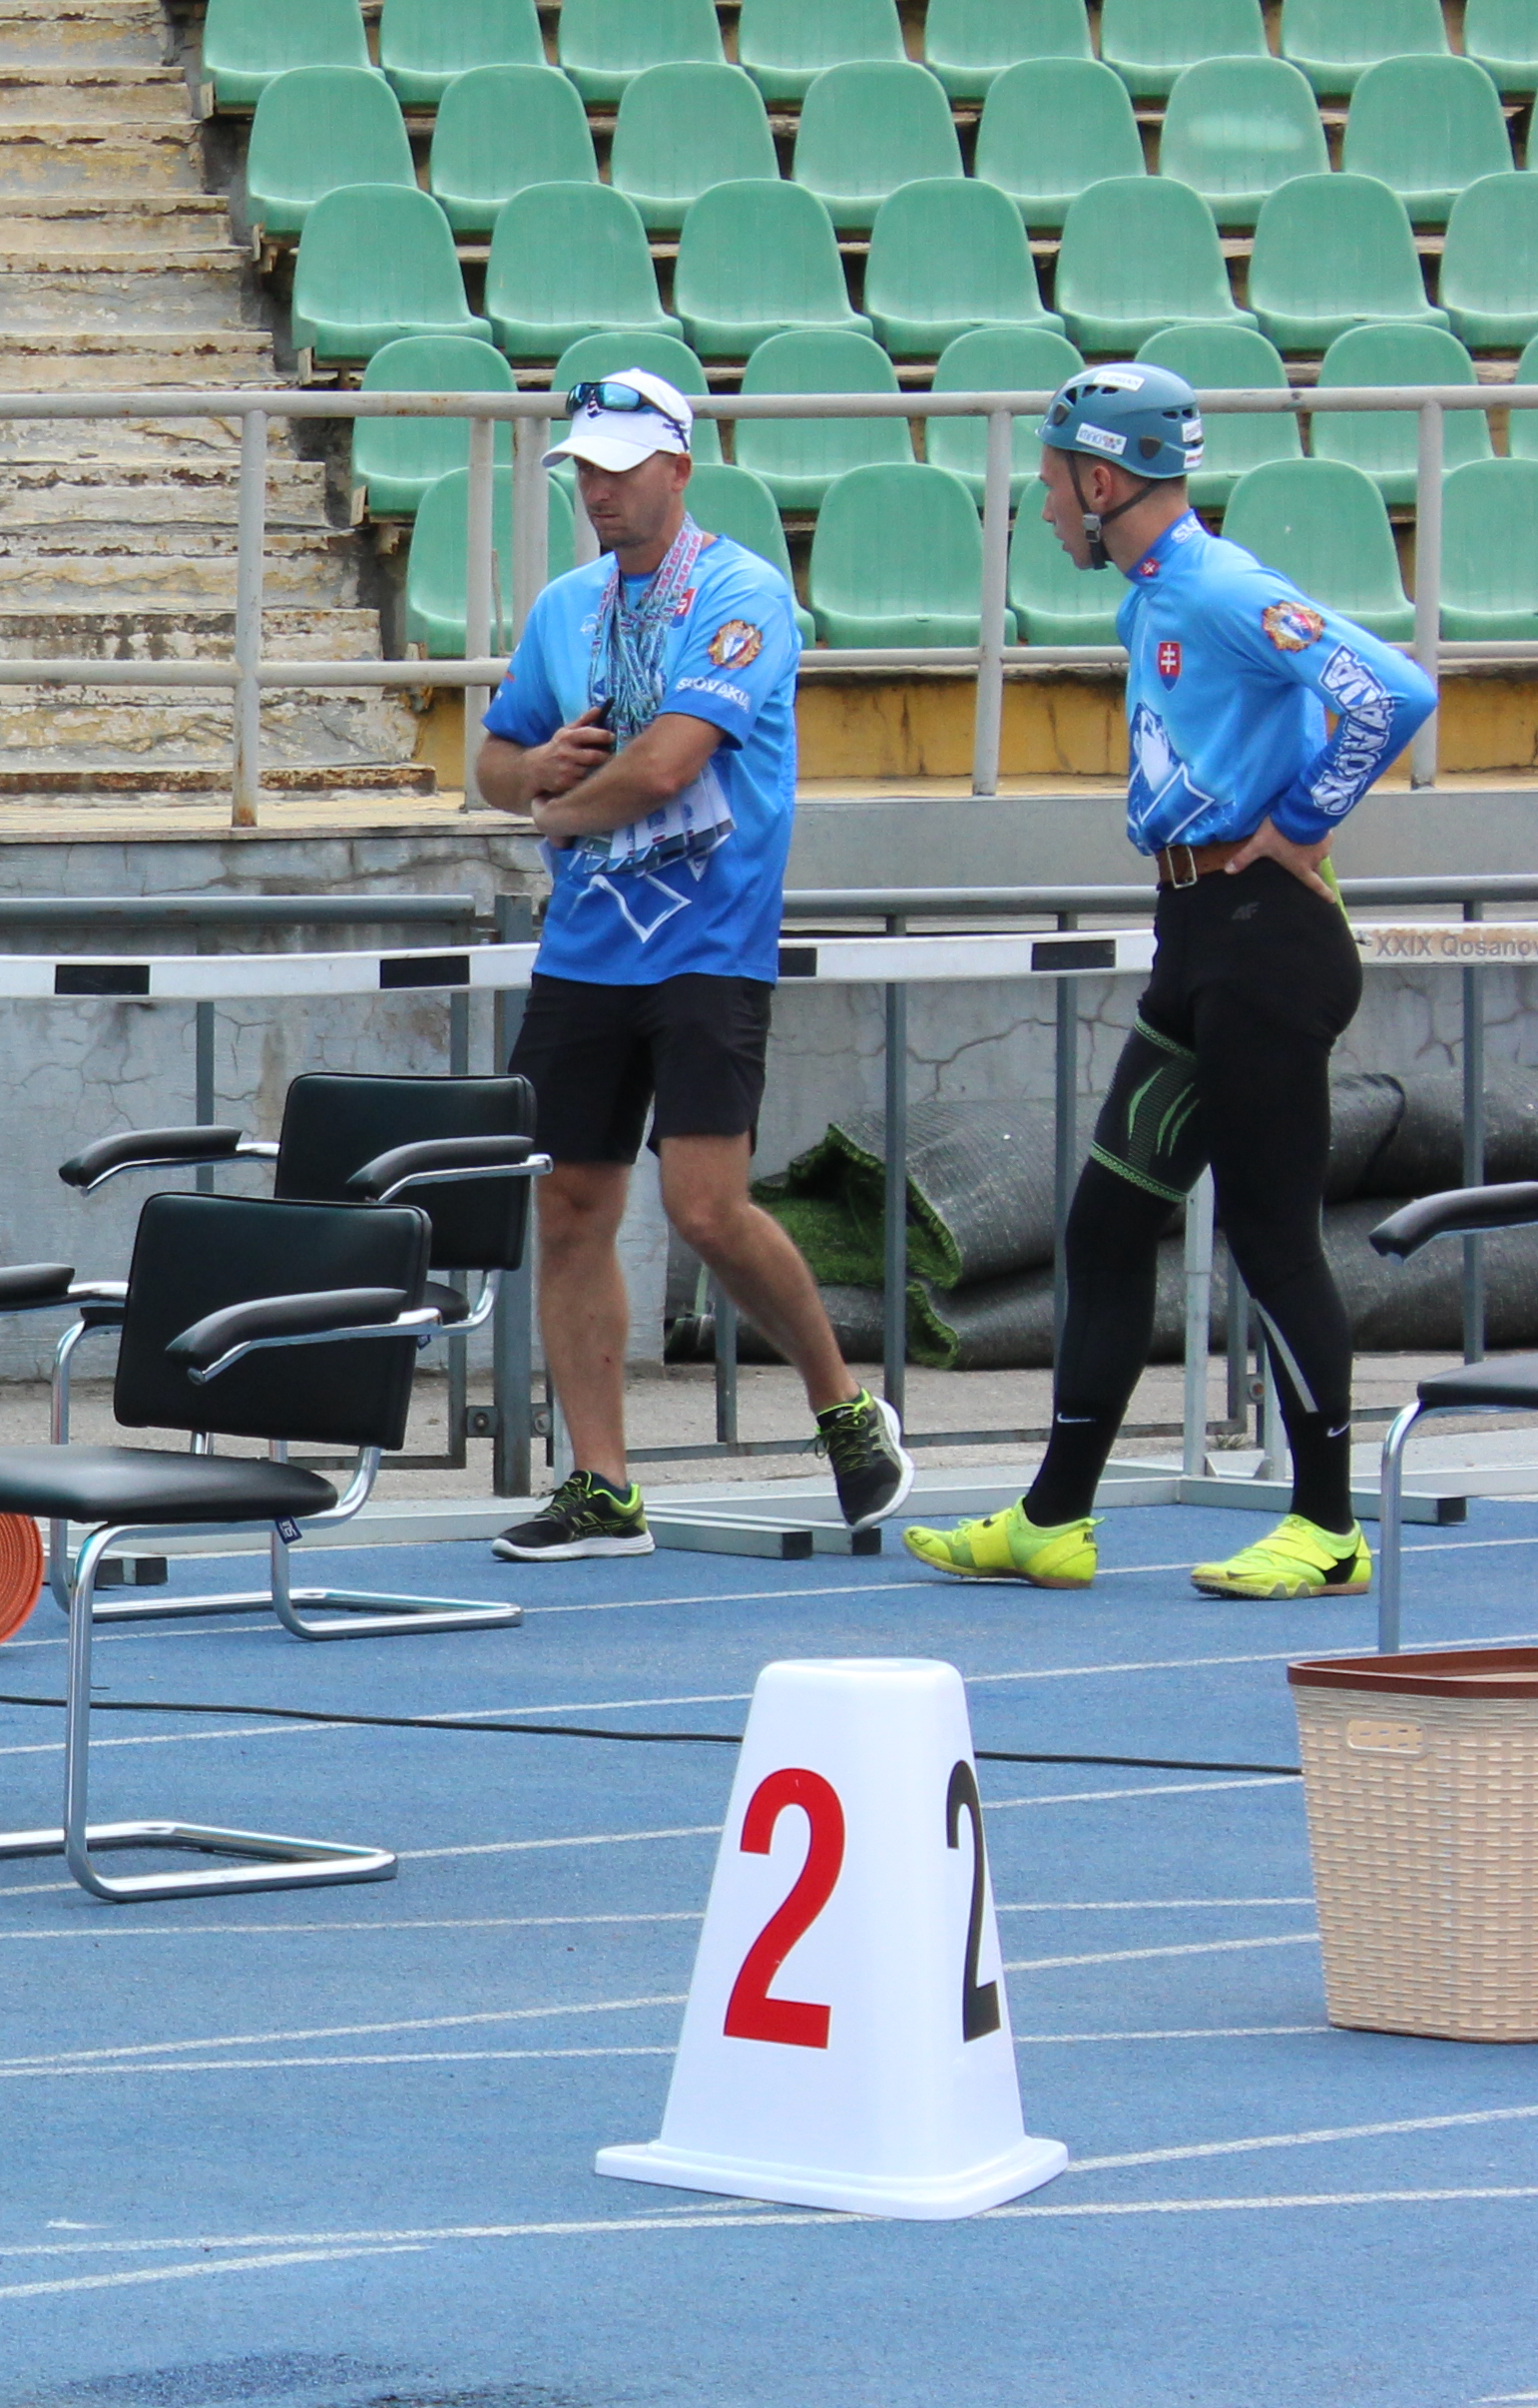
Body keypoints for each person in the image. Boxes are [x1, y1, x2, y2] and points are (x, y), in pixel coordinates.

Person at [910, 362, 1443, 1599]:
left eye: (1051, 486)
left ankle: (1327, 1524)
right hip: (1202, 936)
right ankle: (1053, 1517)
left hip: (1266, 944)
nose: (1041, 510)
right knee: (1104, 1223)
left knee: (1269, 1232)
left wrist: (1305, 820)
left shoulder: (1213, 584)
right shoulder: (1150, 598)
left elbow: (1394, 690)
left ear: (1103, 480)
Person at [470, 369, 909, 1564]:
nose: (599, 489)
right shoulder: (566, 606)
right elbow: (496, 762)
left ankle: (841, 1404)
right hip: (584, 953)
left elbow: (669, 766)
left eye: (619, 466)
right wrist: (534, 776)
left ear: (678, 467)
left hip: (710, 949)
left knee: (707, 1210)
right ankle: (604, 1485)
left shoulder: (743, 594)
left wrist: (558, 814)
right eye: (585, 470)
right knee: (567, 1209)